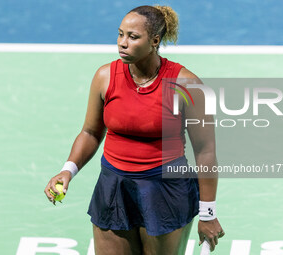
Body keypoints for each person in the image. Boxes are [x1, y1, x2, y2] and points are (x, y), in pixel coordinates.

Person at [44, 5, 224, 255]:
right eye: (120, 34)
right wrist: (68, 170)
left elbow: (205, 151)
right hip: (114, 186)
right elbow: (90, 132)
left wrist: (208, 213)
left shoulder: (186, 84)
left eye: (133, 37)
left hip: (165, 190)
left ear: (155, 41)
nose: (122, 43)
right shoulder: (105, 76)